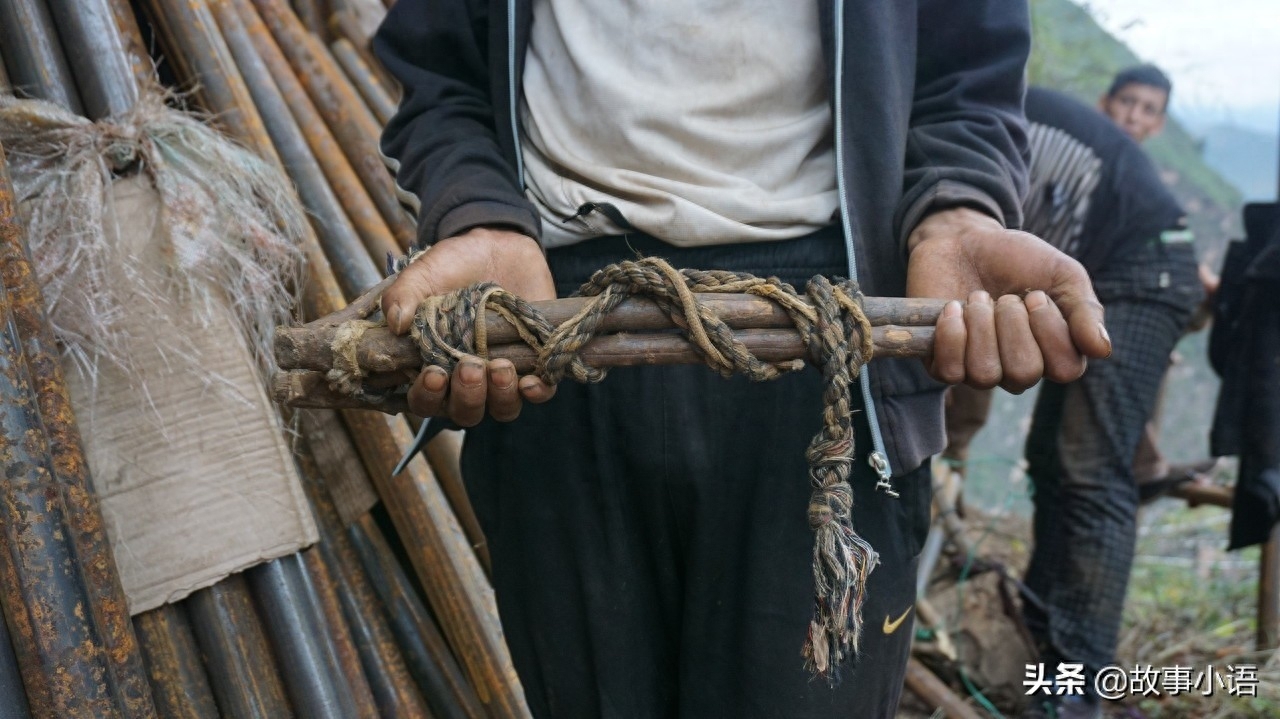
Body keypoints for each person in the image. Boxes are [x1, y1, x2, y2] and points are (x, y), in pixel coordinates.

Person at [372, 2, 1108, 716]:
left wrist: (957, 212)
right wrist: (476, 213)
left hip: (831, 332)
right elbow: (439, 69)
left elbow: (968, 69)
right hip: (550, 318)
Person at [1012, 87, 1205, 719]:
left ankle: (1077, 691)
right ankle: (1041, 632)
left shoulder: (998, 113)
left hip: (1140, 276)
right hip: (1104, 276)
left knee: (1092, 472)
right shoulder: (1006, 110)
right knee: (1050, 458)